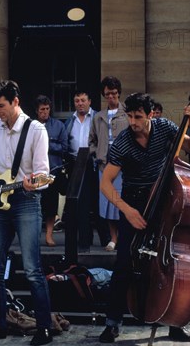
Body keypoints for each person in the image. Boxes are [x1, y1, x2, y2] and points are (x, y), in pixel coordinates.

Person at [98, 92, 190, 344]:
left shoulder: (165, 128)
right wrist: (127, 210)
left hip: (163, 199)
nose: (132, 122)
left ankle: (174, 320)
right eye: (129, 116)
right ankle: (112, 323)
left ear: (151, 115)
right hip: (133, 201)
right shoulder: (123, 142)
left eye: (138, 117)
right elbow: (105, 183)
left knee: (171, 259)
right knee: (124, 261)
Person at [0, 79, 54, 346]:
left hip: (26, 201)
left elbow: (43, 173)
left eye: (1, 106)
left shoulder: (36, 130)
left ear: (15, 102)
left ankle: (44, 328)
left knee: (32, 268)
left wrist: (34, 182)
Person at [89, 76, 129, 251]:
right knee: (107, 203)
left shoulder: (127, 113)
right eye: (107, 94)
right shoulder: (98, 117)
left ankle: (125, 236)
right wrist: (96, 153)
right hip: (104, 165)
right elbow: (92, 140)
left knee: (121, 200)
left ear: (118, 93)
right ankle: (113, 238)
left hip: (123, 166)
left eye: (114, 93)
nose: (111, 97)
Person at [64, 91, 106, 251]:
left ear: (89, 101)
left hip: (93, 163)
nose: (80, 103)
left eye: (83, 100)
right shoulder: (70, 121)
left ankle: (105, 238)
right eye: (77, 101)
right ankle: (84, 240)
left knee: (97, 202)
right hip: (75, 163)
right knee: (80, 203)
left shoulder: (97, 118)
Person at [35, 95, 68, 247]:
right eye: (42, 109)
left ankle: (49, 235)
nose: (45, 112)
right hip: (34, 172)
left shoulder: (58, 126)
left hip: (52, 170)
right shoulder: (31, 126)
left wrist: (46, 144)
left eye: (47, 109)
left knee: (51, 206)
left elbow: (64, 148)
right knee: (36, 206)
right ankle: (34, 236)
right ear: (37, 111)